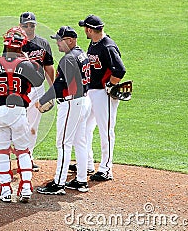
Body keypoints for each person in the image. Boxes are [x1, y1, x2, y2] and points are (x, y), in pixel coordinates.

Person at [0, 26, 45, 203]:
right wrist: (28, 61)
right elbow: (39, 79)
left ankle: (5, 190)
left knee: (2, 152)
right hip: (18, 113)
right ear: (22, 45)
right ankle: (25, 188)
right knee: (23, 151)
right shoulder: (26, 64)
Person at [0, 12, 54, 172]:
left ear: (36, 25)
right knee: (11, 121)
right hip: (17, 89)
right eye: (25, 25)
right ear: (20, 25)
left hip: (36, 89)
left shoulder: (43, 44)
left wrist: (53, 90)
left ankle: (29, 156)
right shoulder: (12, 42)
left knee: (32, 126)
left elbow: (48, 67)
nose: (29, 28)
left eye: (32, 25)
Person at [35, 26, 91, 195]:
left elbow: (60, 84)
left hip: (71, 103)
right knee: (80, 141)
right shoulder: (82, 55)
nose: (57, 43)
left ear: (70, 40)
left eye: (60, 40)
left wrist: (42, 100)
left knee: (63, 143)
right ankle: (81, 181)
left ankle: (59, 184)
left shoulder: (68, 59)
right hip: (84, 101)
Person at [78, 14, 126, 181]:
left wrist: (110, 85)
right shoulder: (94, 42)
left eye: (85, 27)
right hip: (91, 92)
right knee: (85, 127)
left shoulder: (108, 46)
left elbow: (119, 70)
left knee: (106, 131)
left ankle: (106, 168)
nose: (84, 30)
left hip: (103, 95)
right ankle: (88, 163)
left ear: (90, 30)